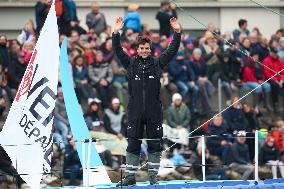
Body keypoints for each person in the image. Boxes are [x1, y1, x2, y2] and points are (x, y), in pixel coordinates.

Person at [112, 16, 181, 186]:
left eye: (147, 48)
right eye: (141, 48)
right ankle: (129, 177)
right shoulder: (130, 63)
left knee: (155, 145)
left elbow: (171, 50)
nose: (144, 50)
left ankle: (153, 178)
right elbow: (118, 50)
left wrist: (177, 33)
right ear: (137, 49)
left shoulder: (157, 63)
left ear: (150, 49)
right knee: (133, 144)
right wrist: (115, 32)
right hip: (135, 111)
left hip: (153, 111)